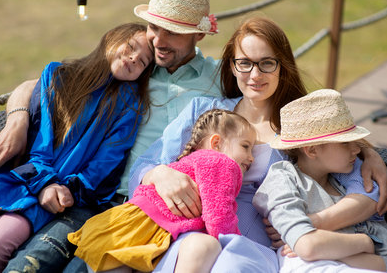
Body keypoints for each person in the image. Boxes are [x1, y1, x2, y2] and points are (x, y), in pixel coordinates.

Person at [0, 0, 387, 271]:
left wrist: (366, 150)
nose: (158, 41)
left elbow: (330, 135)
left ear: (199, 36)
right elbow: (57, 77)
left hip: (220, 233)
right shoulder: (139, 66)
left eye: (174, 32)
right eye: (154, 29)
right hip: (124, 203)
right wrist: (19, 113)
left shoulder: (224, 89)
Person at [127, 16, 387, 272]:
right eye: (244, 63)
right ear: (232, 66)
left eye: (267, 63)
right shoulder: (207, 112)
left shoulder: (300, 124)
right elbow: (146, 165)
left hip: (257, 247)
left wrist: (369, 155)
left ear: (282, 66)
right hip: (191, 235)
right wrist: (160, 174)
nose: (255, 74)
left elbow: (365, 191)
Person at [0, 22, 153, 272]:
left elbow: (106, 163)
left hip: (54, 197)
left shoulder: (129, 106)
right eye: (131, 46)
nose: (134, 58)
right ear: (110, 39)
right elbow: (41, 139)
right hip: (22, 177)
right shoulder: (58, 75)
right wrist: (44, 182)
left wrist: (64, 190)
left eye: (144, 62)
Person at [67, 109, 256, 273]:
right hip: (142, 227)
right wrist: (237, 246)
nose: (251, 158)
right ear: (216, 143)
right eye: (245, 147)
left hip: (124, 224)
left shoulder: (193, 160)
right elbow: (218, 215)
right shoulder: (222, 163)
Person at [253, 89, 387, 273]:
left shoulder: (351, 175)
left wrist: (328, 247)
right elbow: (307, 246)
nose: (357, 149)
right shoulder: (283, 179)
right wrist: (363, 242)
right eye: (345, 143)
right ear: (312, 150)